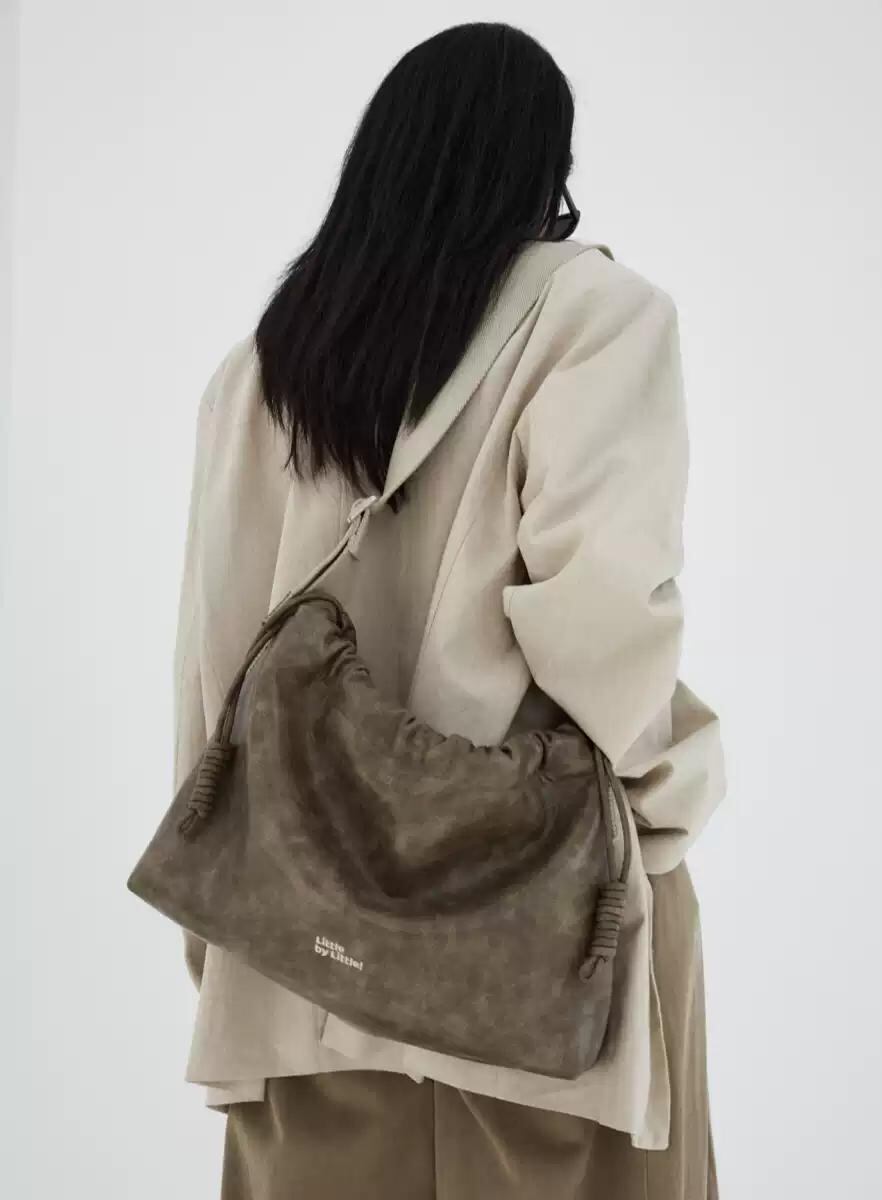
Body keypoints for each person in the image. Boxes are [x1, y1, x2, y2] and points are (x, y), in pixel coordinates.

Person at [170, 20, 727, 1200]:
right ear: (546, 166)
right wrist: (664, 803)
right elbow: (606, 623)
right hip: (530, 950)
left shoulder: (261, 368)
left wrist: (224, 934)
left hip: (298, 946)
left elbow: (216, 667)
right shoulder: (595, 318)